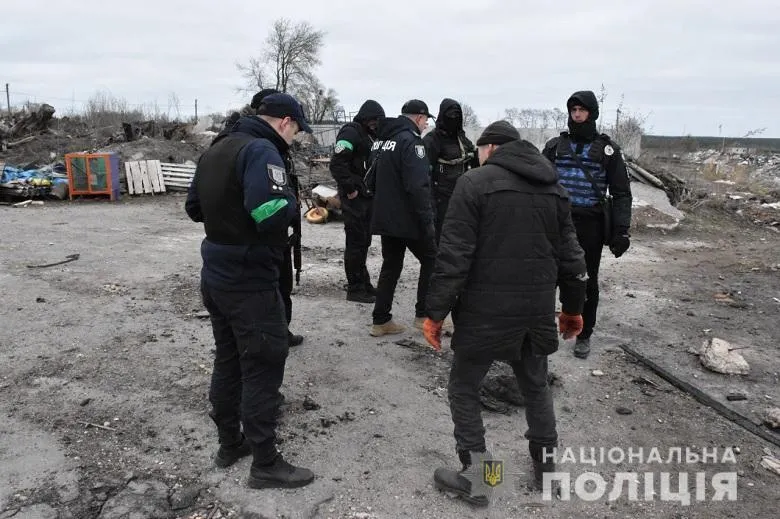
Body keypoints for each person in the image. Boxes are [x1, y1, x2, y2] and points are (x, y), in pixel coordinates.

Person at [422, 120, 587, 505]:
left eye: (479, 150)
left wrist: (436, 312)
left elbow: (453, 257)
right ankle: (546, 472)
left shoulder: (473, 183)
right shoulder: (554, 188)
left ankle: (479, 480)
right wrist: (573, 310)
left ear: (491, 149)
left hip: (484, 313)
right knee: (536, 386)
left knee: (463, 387)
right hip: (535, 312)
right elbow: (573, 258)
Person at [184, 92, 315, 489]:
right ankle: (265, 462)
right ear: (286, 122)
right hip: (249, 275)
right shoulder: (262, 150)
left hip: (216, 270)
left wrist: (228, 217)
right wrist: (292, 204)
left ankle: (230, 443)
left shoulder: (218, 148)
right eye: (296, 132)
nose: (294, 139)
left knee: (229, 358)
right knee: (264, 360)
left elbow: (194, 208)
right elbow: (269, 213)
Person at [542, 90, 633, 359]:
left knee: (585, 280)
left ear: (591, 113)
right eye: (573, 110)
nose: (577, 115)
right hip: (556, 221)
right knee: (547, 277)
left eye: (582, 110)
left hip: (589, 224)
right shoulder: (555, 146)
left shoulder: (608, 150)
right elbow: (537, 182)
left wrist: (621, 230)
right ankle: (543, 330)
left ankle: (584, 333)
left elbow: (621, 193)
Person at [367, 100, 437, 337]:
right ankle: (423, 315)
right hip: (408, 218)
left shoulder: (383, 140)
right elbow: (418, 185)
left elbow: (372, 178)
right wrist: (427, 219)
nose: (427, 123)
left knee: (391, 266)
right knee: (432, 260)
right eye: (426, 119)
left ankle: (381, 319)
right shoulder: (411, 141)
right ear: (418, 117)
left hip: (386, 216)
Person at [329, 100, 386, 304]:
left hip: (365, 198)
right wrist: (351, 190)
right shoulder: (351, 133)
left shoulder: (370, 136)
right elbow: (337, 164)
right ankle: (354, 288)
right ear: (367, 119)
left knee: (363, 242)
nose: (376, 124)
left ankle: (364, 283)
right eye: (374, 121)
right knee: (355, 244)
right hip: (355, 199)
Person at [422, 98, 479, 242]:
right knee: (441, 239)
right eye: (450, 115)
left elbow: (474, 159)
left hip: (462, 196)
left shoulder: (461, 138)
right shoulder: (432, 140)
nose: (453, 119)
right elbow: (424, 173)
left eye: (457, 115)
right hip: (440, 198)